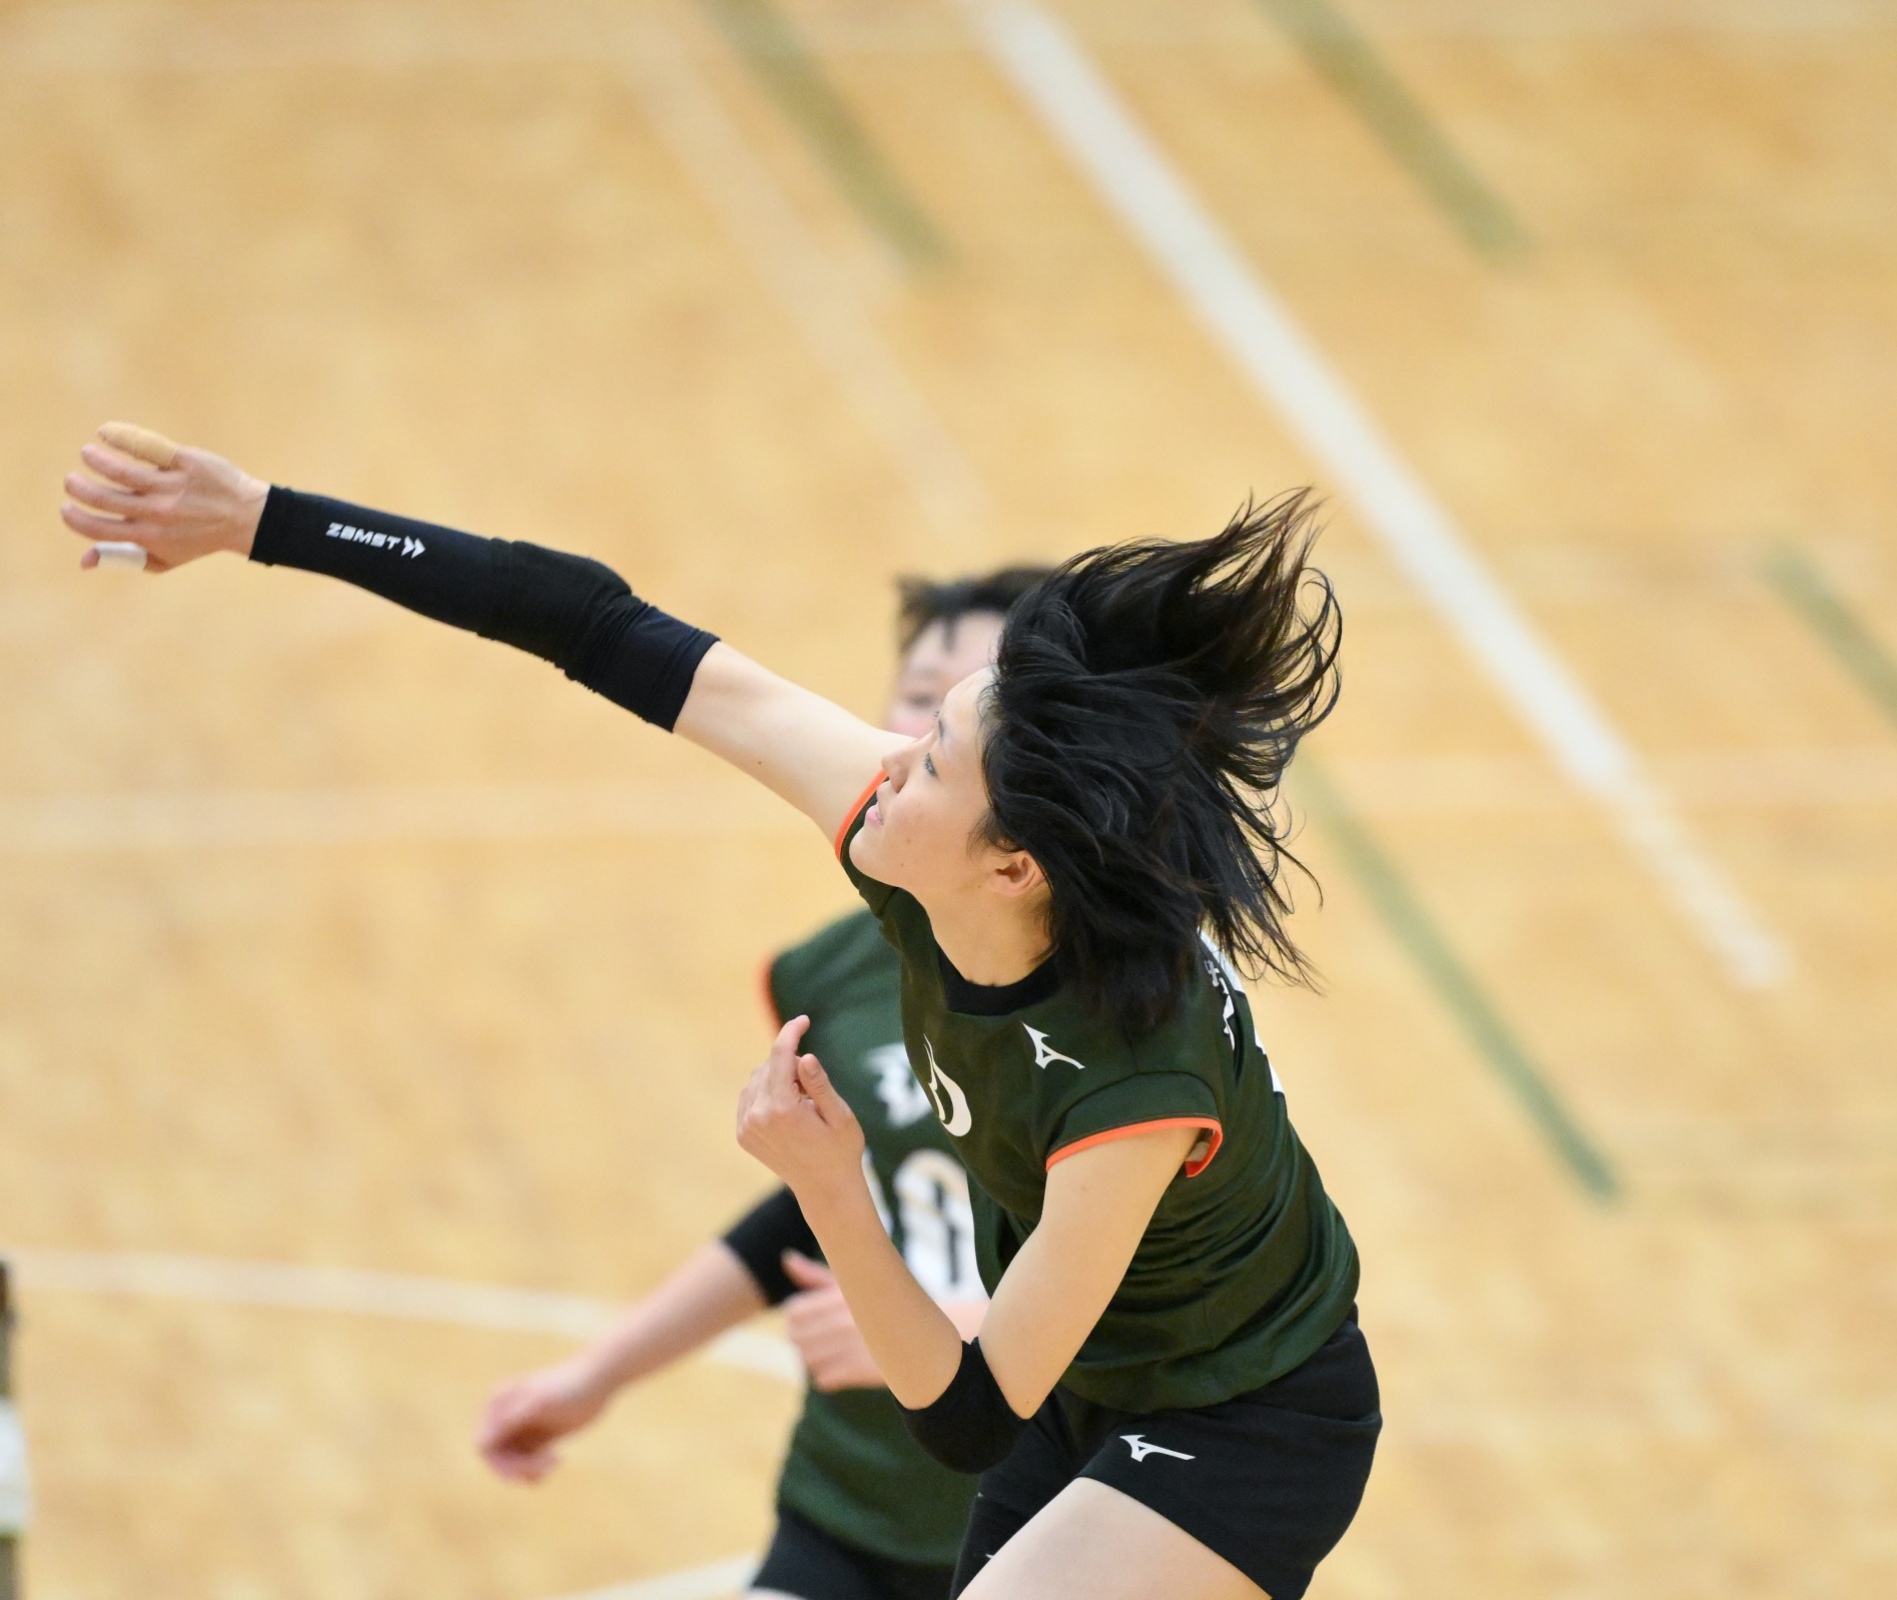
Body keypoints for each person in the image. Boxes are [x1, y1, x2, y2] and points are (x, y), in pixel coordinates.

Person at [62, 426, 1378, 1600]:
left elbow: (971, 1416)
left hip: (1247, 1417)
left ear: (1013, 866)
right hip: (1093, 1386)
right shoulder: (921, 844)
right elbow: (594, 622)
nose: (882, 767)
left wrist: (831, 1187)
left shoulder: (1129, 1086)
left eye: (930, 761)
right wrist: (263, 518)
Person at [474, 567, 1048, 1600]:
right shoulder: (829, 974)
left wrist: (958, 1336)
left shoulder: (1119, 1000)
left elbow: (1175, 1282)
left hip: (1052, 1532)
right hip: (850, 1509)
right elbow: (815, 1212)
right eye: (921, 698)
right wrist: (599, 1373)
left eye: (968, 718)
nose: (918, 741)